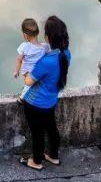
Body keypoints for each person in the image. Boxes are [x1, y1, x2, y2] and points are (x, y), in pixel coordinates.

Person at [18, 15, 70, 171]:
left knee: (37, 133)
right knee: (51, 128)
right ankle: (53, 156)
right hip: (51, 100)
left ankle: (37, 161)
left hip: (35, 103)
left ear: (47, 37)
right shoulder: (66, 54)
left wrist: (24, 71)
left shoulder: (46, 61)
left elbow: (28, 82)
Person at [13, 17, 48, 100]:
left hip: (27, 72)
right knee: (35, 85)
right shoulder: (44, 47)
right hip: (39, 72)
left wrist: (16, 71)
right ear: (37, 32)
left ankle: (22, 98)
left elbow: (19, 59)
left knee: (28, 85)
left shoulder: (24, 46)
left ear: (25, 35)